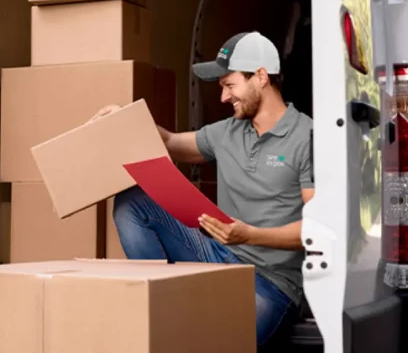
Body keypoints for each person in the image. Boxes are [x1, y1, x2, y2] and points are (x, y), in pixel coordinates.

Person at [91, 31, 314, 348]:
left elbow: (316, 230)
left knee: (212, 344)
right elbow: (170, 142)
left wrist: (249, 235)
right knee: (133, 202)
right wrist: (125, 117)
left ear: (261, 77)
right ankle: (159, 304)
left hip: (271, 284)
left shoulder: (308, 137)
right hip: (217, 256)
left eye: (229, 85)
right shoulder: (228, 131)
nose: (223, 97)